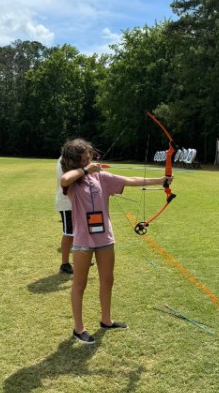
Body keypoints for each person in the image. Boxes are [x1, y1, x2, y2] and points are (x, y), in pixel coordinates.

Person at [60, 137, 173, 344]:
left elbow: (129, 180)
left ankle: (106, 320)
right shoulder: (74, 182)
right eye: (84, 160)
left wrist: (160, 180)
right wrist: (86, 170)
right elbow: (64, 179)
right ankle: (79, 329)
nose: (90, 161)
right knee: (80, 284)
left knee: (108, 279)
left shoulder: (101, 177)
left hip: (105, 238)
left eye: (90, 157)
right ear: (75, 162)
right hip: (83, 240)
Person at [55, 157, 74, 274]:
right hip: (67, 204)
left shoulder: (68, 158)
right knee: (69, 233)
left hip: (74, 203)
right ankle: (65, 264)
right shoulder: (66, 160)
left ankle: (79, 257)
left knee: (76, 232)